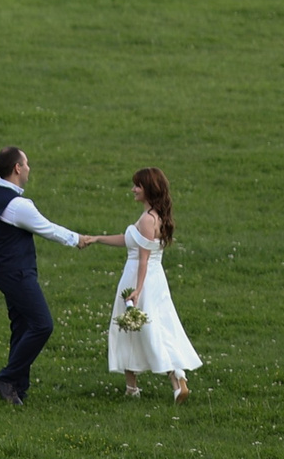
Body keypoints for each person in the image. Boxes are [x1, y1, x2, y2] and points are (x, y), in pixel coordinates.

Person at [0, 146, 96, 406]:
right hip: (19, 274)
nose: (30, 168)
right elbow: (47, 228)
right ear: (17, 168)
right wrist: (77, 239)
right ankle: (7, 378)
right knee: (43, 325)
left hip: (3, 272)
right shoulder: (18, 205)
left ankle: (17, 388)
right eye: (27, 163)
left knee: (21, 326)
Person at [79, 167, 201, 402]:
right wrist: (96, 239)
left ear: (149, 189)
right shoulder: (157, 216)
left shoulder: (147, 219)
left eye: (138, 186)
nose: (133, 189)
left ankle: (153, 382)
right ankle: (169, 378)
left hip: (138, 278)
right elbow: (129, 240)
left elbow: (143, 258)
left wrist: (137, 289)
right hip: (155, 280)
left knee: (132, 327)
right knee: (155, 326)